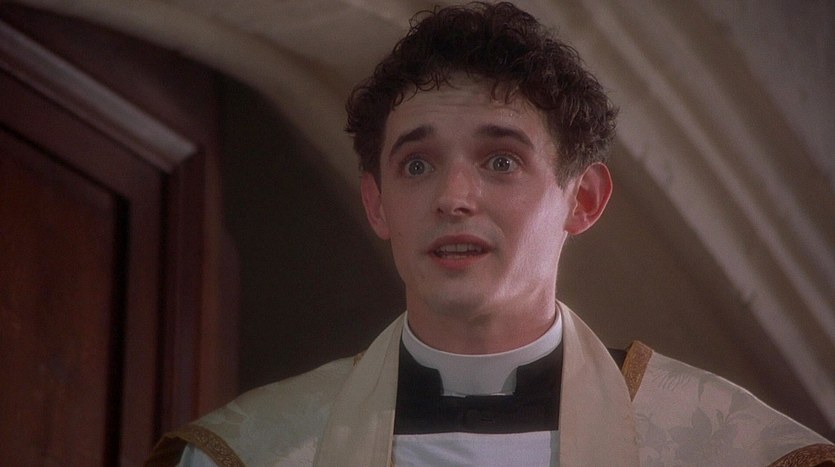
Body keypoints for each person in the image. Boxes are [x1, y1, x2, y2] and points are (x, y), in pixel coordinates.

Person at [147, 2, 834, 466]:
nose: (453, 197)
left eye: (500, 160)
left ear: (583, 199)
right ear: (378, 205)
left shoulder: (728, 450)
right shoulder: (249, 453)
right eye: (417, 164)